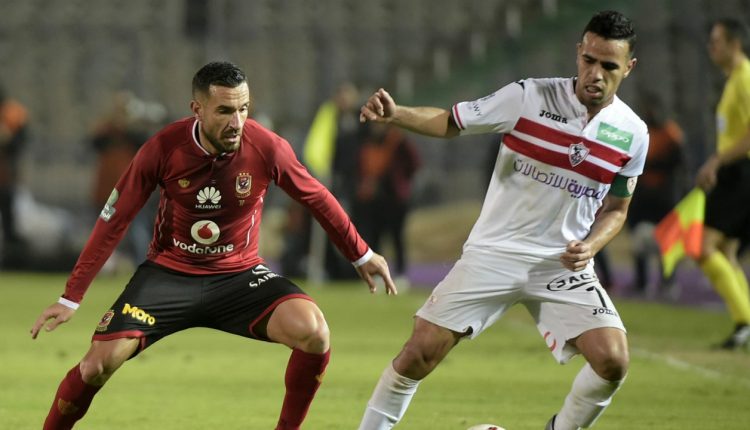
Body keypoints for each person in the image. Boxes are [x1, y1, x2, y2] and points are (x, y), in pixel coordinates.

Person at [30, 61, 397, 430]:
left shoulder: (267, 147)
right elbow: (115, 219)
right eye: (224, 111)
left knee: (314, 332)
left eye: (243, 109)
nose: (236, 122)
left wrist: (360, 253)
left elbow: (316, 197)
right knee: (95, 366)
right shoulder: (163, 148)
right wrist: (71, 296)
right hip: (169, 276)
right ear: (198, 109)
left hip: (240, 277)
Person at [358, 10, 647, 430]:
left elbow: (618, 210)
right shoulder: (529, 97)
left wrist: (593, 245)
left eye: (609, 66)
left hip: (560, 265)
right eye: (588, 60)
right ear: (578, 53)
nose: (595, 74)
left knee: (613, 360)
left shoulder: (633, 133)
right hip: (494, 253)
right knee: (419, 352)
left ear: (629, 67)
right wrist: (396, 114)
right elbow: (452, 122)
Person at [695, 18, 750, 350]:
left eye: (716, 41)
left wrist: (716, 160)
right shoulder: (734, 80)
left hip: (741, 172)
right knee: (726, 251)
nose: (710, 47)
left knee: (703, 247)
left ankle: (745, 322)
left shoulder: (745, 79)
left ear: (734, 44)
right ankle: (744, 325)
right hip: (737, 172)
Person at [627, 91, 686, 296]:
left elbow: (679, 163)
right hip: (643, 196)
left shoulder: (671, 133)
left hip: (665, 197)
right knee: (638, 239)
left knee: (666, 242)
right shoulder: (641, 132)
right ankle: (641, 282)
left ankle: (667, 282)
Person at [354, 122, 421, 280]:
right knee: (374, 237)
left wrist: (401, 180)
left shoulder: (398, 141)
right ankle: (376, 272)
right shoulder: (367, 141)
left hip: (394, 199)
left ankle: (400, 273)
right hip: (373, 198)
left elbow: (414, 163)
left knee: (397, 237)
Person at [0, 84, 29, 267]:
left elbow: (21, 142)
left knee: (9, 221)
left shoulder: (13, 113)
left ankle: (11, 261)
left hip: (5, 176)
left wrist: (7, 139)